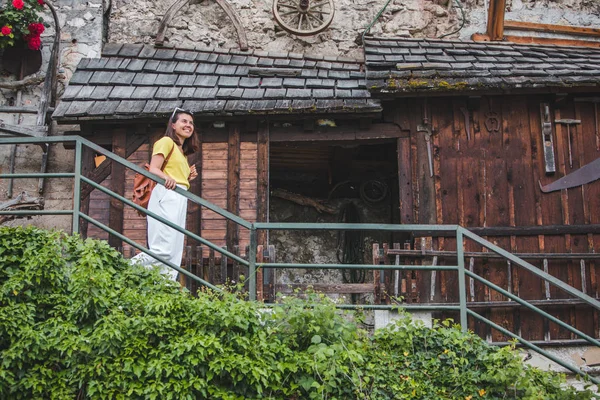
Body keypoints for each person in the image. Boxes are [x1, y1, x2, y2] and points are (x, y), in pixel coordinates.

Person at [131, 108, 199, 280]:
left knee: (175, 254)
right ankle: (123, 269)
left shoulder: (182, 154)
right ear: (173, 124)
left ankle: (164, 292)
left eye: (191, 123)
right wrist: (167, 177)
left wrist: (187, 177)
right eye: (184, 121)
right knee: (163, 250)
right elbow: (154, 169)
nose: (188, 125)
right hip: (166, 196)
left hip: (179, 197)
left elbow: (176, 178)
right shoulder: (166, 141)